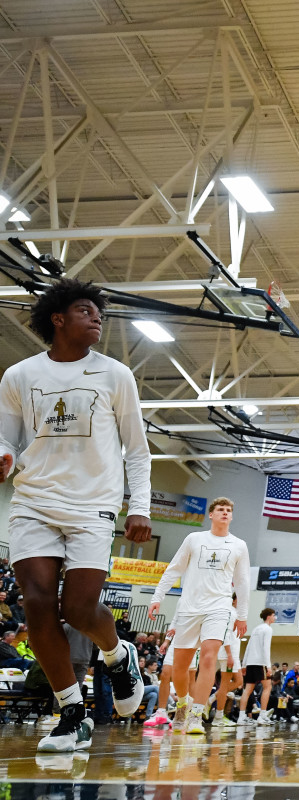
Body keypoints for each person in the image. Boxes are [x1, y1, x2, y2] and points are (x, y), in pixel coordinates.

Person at [0, 279, 152, 752]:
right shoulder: (20, 375)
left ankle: (117, 653)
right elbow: (6, 436)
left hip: (92, 505)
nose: (97, 318)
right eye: (86, 310)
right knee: (38, 605)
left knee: (79, 609)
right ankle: (72, 712)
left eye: (99, 312)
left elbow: (138, 450)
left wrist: (140, 506)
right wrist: (3, 455)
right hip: (34, 501)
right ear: (58, 319)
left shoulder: (115, 375)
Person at [148, 497, 250, 735]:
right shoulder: (194, 539)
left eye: (228, 510)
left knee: (208, 659)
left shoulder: (239, 545)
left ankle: (196, 714)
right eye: (220, 510)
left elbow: (243, 582)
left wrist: (242, 615)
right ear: (211, 515)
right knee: (180, 667)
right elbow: (174, 568)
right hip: (189, 608)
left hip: (219, 607)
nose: (225, 513)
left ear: (231, 516)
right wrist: (157, 596)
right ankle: (182, 703)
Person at [238, 607, 276, 726]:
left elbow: (248, 647)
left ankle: (241, 717)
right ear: (269, 616)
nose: (275, 618)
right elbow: (266, 648)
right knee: (267, 687)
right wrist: (268, 666)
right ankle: (262, 716)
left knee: (247, 690)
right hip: (260, 663)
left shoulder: (256, 629)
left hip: (250, 663)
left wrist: (244, 664)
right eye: (274, 615)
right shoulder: (267, 629)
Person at [212, 594, 245, 727]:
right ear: (234, 600)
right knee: (226, 685)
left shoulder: (235, 613)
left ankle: (212, 699)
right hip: (228, 653)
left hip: (233, 654)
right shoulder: (229, 612)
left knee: (238, 681)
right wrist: (229, 654)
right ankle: (218, 717)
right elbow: (225, 633)